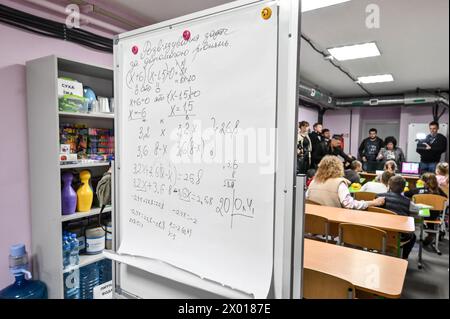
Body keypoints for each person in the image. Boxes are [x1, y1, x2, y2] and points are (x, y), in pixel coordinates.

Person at [306, 155, 385, 209]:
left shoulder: (313, 182)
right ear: (339, 167)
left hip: (315, 222)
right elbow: (349, 204)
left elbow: (307, 199)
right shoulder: (339, 183)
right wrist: (372, 202)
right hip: (332, 224)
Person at [376, 176, 417, 259]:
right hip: (398, 236)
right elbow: (416, 211)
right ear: (403, 189)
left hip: (378, 232)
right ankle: (404, 257)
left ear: (389, 186)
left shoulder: (378, 197)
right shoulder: (407, 201)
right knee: (413, 236)